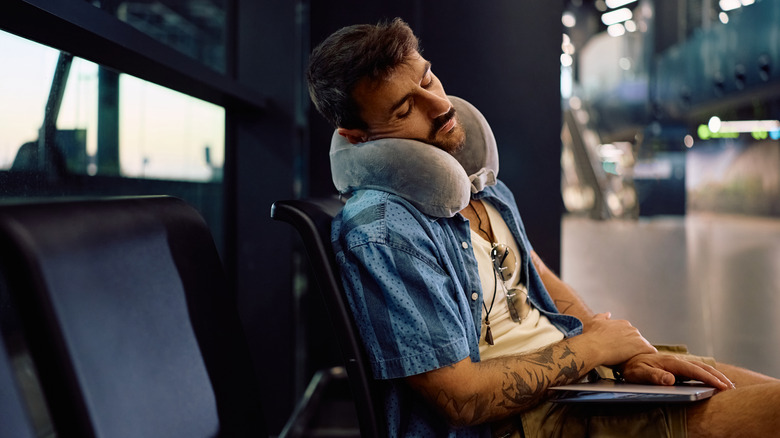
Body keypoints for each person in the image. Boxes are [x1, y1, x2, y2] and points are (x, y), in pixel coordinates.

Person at [307, 18, 780, 437]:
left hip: (578, 383)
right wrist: (592, 350)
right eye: (405, 108)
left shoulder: (480, 186)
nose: (439, 106)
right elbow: (460, 400)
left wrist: (618, 350)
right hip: (522, 422)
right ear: (357, 135)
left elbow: (534, 272)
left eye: (429, 78)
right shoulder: (383, 230)